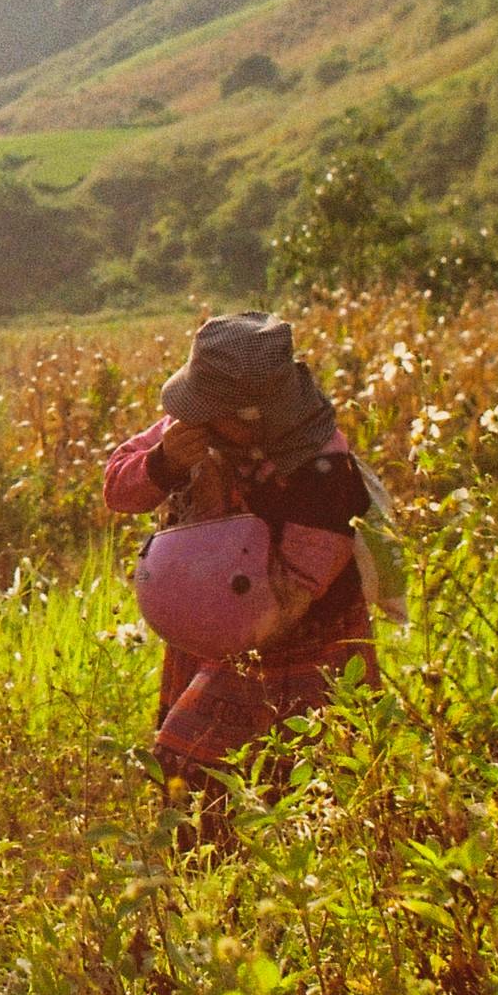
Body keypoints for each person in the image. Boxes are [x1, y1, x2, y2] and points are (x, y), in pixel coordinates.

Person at [100, 311, 391, 812]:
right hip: (217, 621)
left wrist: (212, 509)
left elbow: (287, 597)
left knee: (303, 783)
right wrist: (164, 462)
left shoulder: (323, 473)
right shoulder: (195, 430)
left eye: (213, 412)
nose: (199, 421)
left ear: (254, 414)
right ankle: (201, 875)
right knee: (191, 782)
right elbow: (118, 490)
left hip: (290, 638)